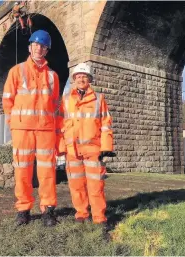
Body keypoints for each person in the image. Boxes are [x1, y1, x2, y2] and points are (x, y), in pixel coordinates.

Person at [2, 30, 60, 227]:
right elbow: (7, 101)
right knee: (22, 171)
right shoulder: (16, 71)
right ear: (30, 47)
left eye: (43, 46)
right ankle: (23, 210)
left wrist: (57, 131)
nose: (39, 48)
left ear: (47, 51)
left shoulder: (53, 76)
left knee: (47, 172)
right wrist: (13, 123)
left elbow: (56, 106)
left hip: (45, 130)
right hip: (22, 130)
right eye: (36, 45)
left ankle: (48, 210)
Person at [56, 62, 115, 229]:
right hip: (72, 151)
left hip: (93, 150)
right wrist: (61, 147)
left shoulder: (99, 99)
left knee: (95, 185)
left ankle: (99, 217)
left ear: (90, 79)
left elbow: (106, 124)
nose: (81, 79)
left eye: (84, 76)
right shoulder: (66, 99)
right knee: (76, 185)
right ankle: (81, 214)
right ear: (74, 79)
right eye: (78, 76)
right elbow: (60, 123)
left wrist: (106, 147)